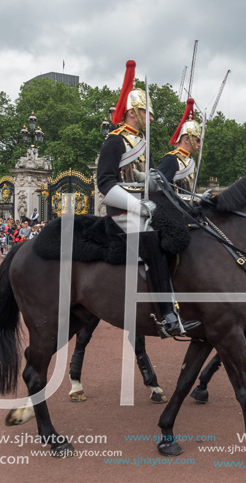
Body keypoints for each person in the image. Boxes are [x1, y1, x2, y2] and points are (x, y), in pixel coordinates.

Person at [96, 61, 199, 339]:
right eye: (146, 113)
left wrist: (154, 182)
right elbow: (105, 182)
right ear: (132, 112)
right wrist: (136, 205)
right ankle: (166, 314)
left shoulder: (140, 141)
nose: (150, 119)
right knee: (153, 243)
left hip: (144, 207)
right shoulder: (115, 141)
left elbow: (143, 178)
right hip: (122, 210)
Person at [157, 98, 201, 194]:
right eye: (197, 140)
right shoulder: (171, 159)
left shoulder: (191, 161)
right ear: (186, 139)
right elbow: (159, 190)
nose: (199, 144)